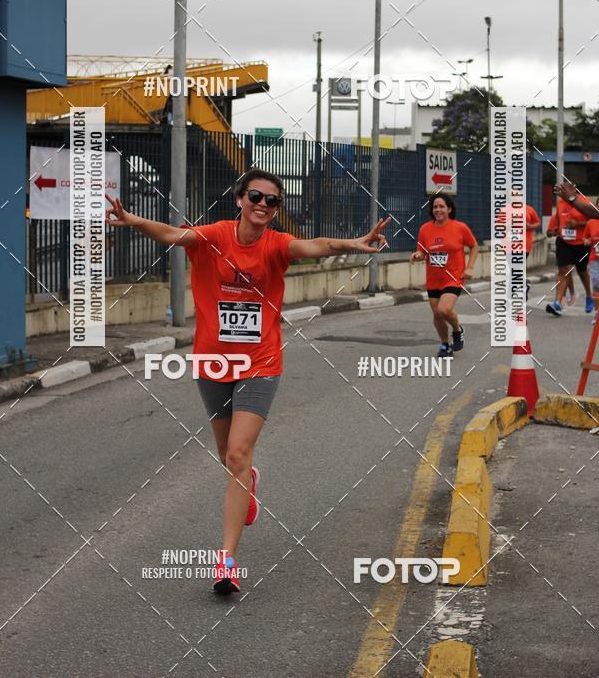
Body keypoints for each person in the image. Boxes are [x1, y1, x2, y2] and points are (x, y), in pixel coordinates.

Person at [106, 169, 390, 595]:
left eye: (272, 201)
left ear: (276, 210)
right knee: (229, 458)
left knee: (238, 453)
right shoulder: (215, 236)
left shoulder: (276, 245)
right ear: (240, 199)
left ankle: (226, 561)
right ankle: (248, 481)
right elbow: (172, 235)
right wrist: (133, 221)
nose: (263, 204)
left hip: (260, 363)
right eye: (256, 196)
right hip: (213, 363)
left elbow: (316, 245)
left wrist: (355, 243)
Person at [410, 193, 478, 358]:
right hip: (433, 279)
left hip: (453, 276)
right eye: (435, 207)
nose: (438, 210)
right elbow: (422, 251)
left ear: (449, 209)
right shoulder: (425, 229)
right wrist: (418, 255)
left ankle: (457, 329)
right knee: (437, 315)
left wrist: (469, 267)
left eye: (441, 206)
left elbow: (474, 246)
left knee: (444, 309)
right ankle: (445, 345)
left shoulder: (460, 227)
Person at [545, 195, 593, 316]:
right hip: (564, 242)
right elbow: (557, 220)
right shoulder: (560, 203)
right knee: (563, 270)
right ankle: (557, 302)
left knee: (582, 271)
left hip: (581, 243)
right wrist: (554, 230)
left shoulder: (584, 202)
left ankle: (588, 295)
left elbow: (592, 221)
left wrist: (578, 223)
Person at [582, 201, 599, 325]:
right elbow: (585, 237)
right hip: (595, 259)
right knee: (596, 285)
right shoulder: (591, 222)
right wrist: (586, 241)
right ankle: (597, 313)